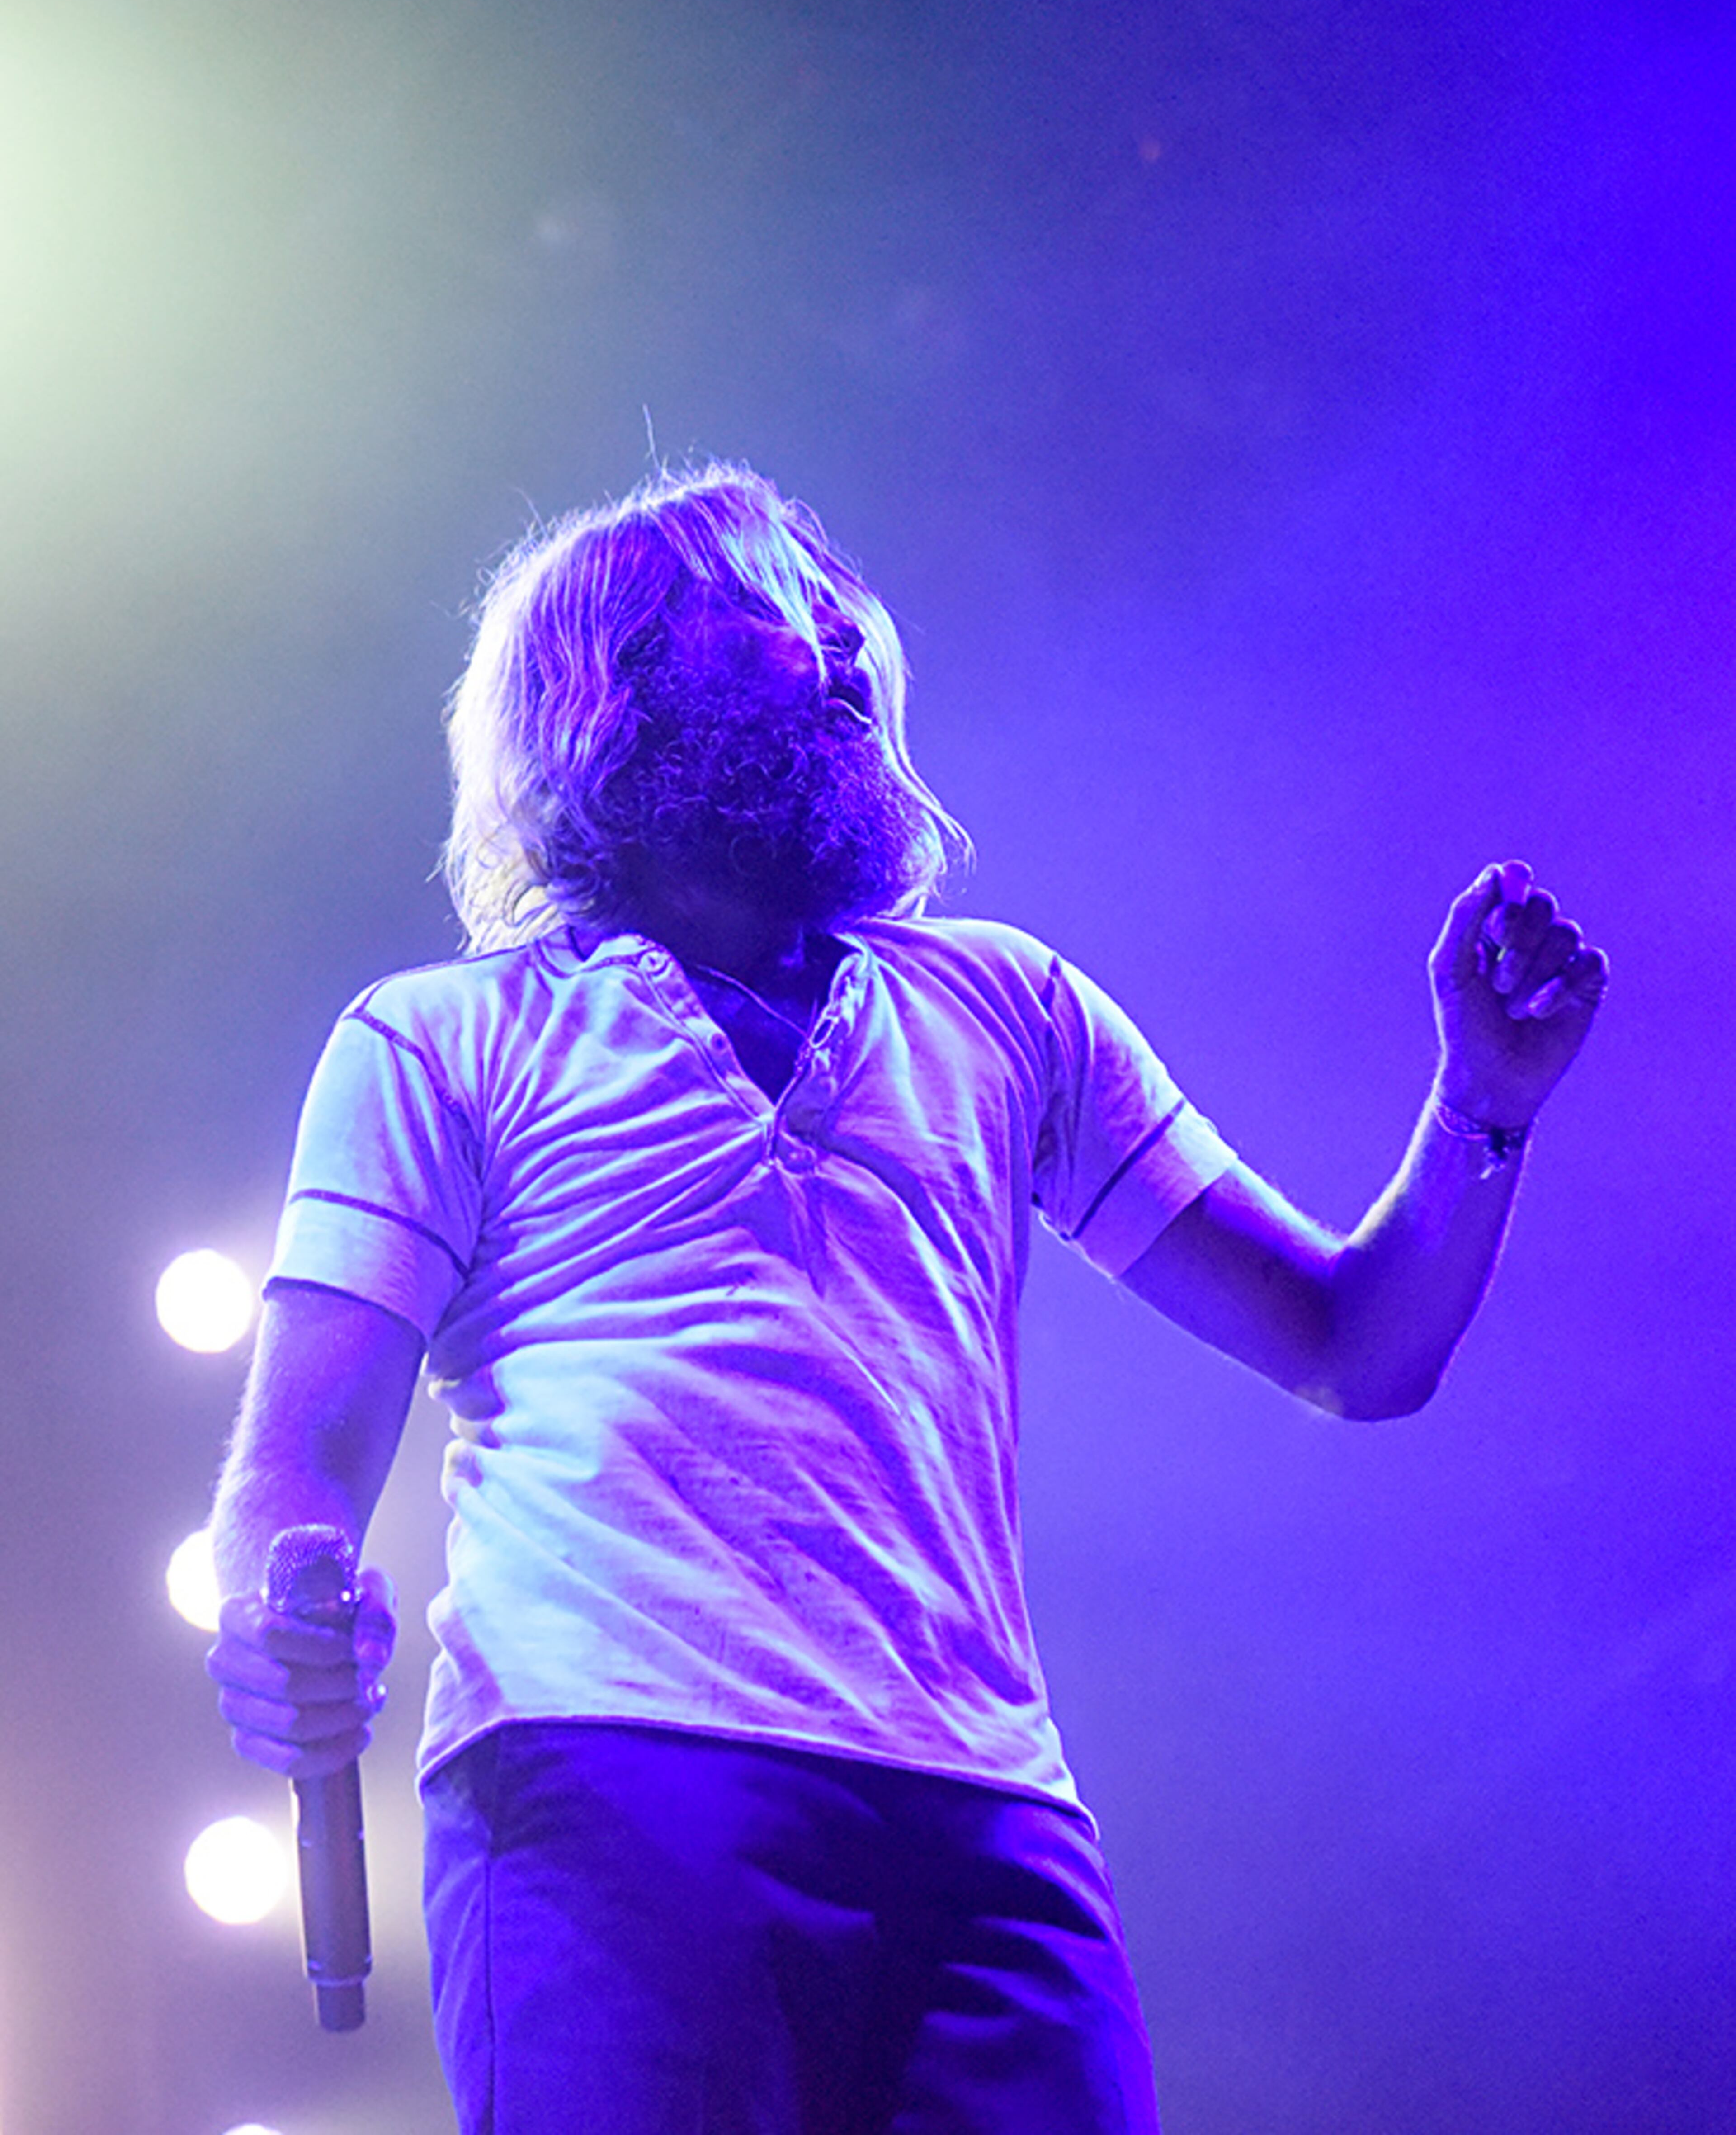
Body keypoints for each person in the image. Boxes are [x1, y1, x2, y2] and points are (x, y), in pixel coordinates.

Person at [205, 461, 1607, 2134]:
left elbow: (1353, 1347)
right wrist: (276, 1611)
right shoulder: (441, 1036)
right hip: (607, 1777)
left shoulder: (1011, 1008)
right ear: (618, 691)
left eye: (847, 610)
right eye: (770, 613)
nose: (844, 645)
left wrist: (1483, 1107)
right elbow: (299, 1453)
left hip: (989, 1816)